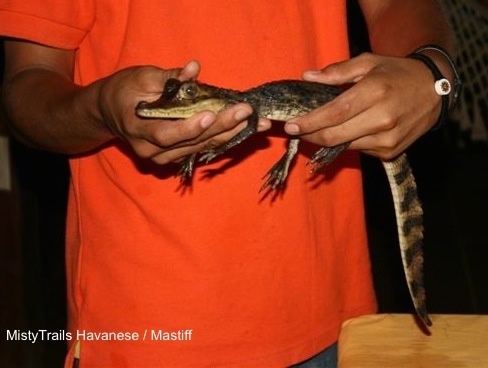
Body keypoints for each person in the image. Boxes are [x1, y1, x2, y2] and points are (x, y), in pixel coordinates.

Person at [0, 1, 456, 367]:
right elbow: (27, 86)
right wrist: (101, 109)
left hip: (332, 314)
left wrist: (430, 73)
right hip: (148, 331)